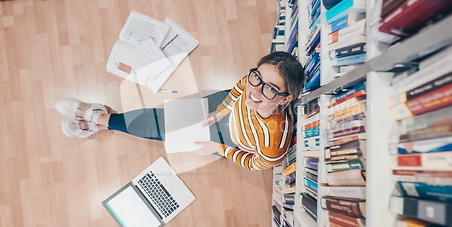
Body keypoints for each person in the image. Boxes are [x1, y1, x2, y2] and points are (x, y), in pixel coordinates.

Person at [55, 51, 305, 170]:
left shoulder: (275, 140)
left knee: (162, 130)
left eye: (270, 89)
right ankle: (99, 120)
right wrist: (221, 110)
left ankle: (97, 117)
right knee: (160, 118)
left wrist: (218, 149)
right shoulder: (251, 83)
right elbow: (241, 87)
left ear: (286, 98)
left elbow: (257, 164)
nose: (256, 90)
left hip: (226, 140)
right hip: (219, 109)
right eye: (257, 77)